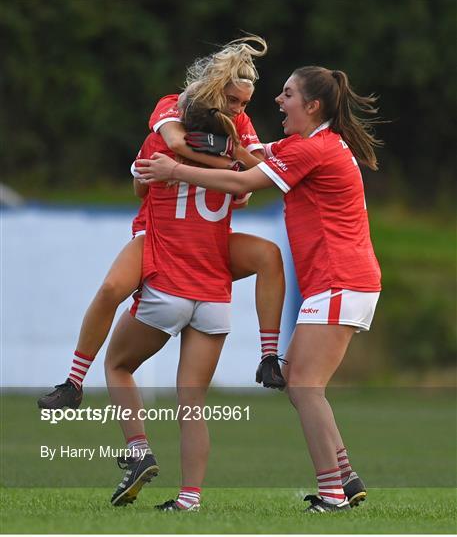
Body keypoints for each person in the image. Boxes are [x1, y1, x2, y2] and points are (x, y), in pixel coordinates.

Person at [135, 65, 383, 513]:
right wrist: (180, 118)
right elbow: (247, 155)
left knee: (306, 386)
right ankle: (345, 478)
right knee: (299, 382)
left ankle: (331, 495)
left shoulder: (315, 149)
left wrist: (175, 168)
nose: (277, 101)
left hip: (341, 280)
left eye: (286, 94)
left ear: (312, 106)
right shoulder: (305, 145)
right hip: (341, 281)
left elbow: (246, 180)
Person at [37, 35, 286, 411]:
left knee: (269, 256)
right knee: (110, 290)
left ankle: (269, 356)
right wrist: (226, 168)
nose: (237, 109)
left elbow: (258, 172)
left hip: (204, 245)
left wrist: (230, 163)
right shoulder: (173, 107)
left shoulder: (239, 124)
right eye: (232, 100)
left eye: (243, 103)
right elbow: (170, 152)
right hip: (157, 234)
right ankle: (73, 381)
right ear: (213, 89)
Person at [106, 94, 249, 511]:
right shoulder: (234, 169)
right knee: (192, 401)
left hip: (169, 285)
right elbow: (243, 195)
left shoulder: (159, 147)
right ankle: (189, 499)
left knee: (117, 365)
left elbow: (138, 187)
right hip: (215, 296)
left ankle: (138, 451)